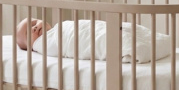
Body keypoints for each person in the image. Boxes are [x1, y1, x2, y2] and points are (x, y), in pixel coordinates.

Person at [16, 17, 171, 63]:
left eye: (34, 23)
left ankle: (152, 40)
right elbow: (62, 44)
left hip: (89, 29)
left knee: (123, 28)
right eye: (28, 33)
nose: (34, 28)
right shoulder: (44, 44)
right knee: (105, 38)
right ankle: (136, 48)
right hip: (83, 37)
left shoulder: (59, 28)